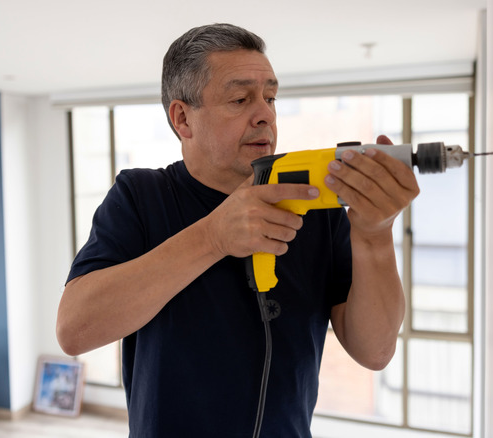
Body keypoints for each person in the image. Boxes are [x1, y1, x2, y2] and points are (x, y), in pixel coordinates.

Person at [57, 23, 419, 437]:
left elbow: (375, 352)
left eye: (270, 97)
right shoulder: (141, 196)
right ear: (182, 119)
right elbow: (74, 330)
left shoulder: (316, 206)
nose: (264, 113)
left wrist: (375, 235)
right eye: (240, 98)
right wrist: (212, 237)